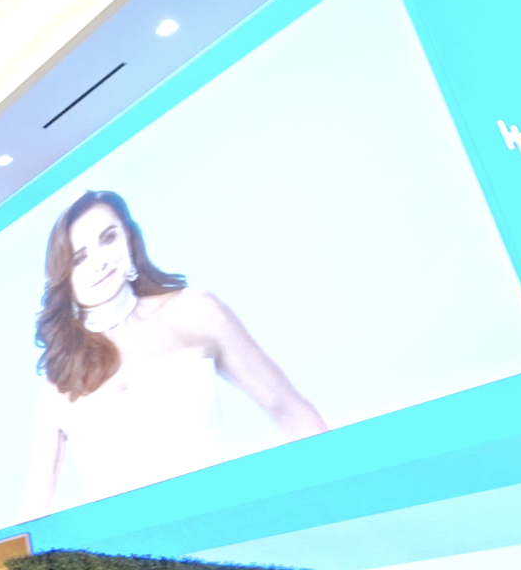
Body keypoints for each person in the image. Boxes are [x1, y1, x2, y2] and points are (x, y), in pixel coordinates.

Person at [24, 190, 325, 513]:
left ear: (129, 239)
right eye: (79, 258)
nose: (99, 263)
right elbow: (33, 515)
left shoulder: (196, 312)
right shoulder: (60, 380)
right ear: (64, 278)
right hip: (124, 558)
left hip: (227, 535)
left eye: (108, 239)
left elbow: (293, 413)